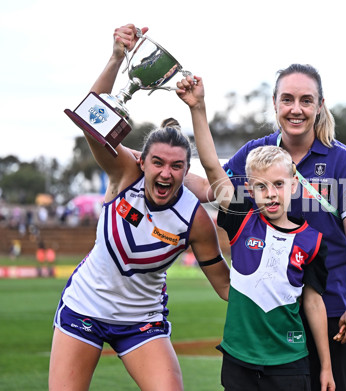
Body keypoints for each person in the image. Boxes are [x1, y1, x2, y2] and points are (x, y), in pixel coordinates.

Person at [48, 24, 230, 391]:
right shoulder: (124, 173)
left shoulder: (195, 220)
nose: (166, 173)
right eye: (158, 163)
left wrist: (279, 293)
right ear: (142, 161)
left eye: (176, 166)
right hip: (85, 307)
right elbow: (92, 120)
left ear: (185, 170)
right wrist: (117, 56)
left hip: (141, 321)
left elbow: (225, 284)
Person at [185, 63, 346, 390]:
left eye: (305, 100)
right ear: (274, 104)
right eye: (287, 99)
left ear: (319, 105)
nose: (296, 109)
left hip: (330, 309)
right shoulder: (257, 154)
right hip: (273, 314)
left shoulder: (343, 160)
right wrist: (154, 164)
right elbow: (214, 185)